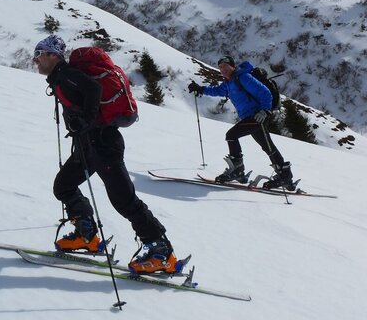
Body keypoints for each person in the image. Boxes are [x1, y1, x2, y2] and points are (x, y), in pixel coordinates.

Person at [32, 35, 180, 274]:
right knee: (63, 186)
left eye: (39, 54)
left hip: (102, 144)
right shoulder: (61, 77)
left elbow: (94, 88)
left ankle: (161, 252)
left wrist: (86, 120)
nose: (35, 59)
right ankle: (86, 235)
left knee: (124, 200)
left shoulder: (67, 75)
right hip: (87, 146)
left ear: (53, 55)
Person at [187, 55, 295, 190]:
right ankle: (285, 176)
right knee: (267, 146)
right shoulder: (228, 83)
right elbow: (217, 91)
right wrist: (200, 89)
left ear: (232, 66)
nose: (223, 69)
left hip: (257, 116)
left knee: (231, 135)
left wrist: (265, 111)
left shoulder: (243, 77)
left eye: (225, 66)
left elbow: (265, 92)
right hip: (251, 117)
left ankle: (237, 170)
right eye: (220, 67)